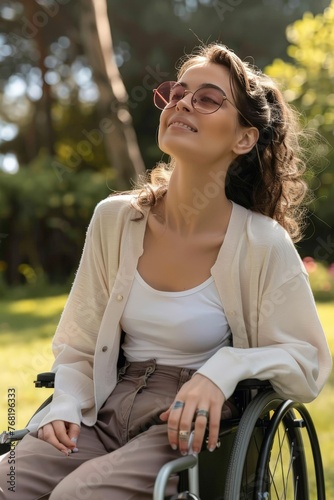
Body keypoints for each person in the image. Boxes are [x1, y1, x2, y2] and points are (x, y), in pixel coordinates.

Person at [0, 43, 332, 499]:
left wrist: (226, 368)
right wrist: (67, 402)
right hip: (104, 406)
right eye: (178, 92)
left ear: (244, 138)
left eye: (207, 98)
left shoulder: (261, 243)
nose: (181, 102)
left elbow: (308, 362)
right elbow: (78, 341)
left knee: (78, 496)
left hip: (183, 424)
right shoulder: (115, 220)